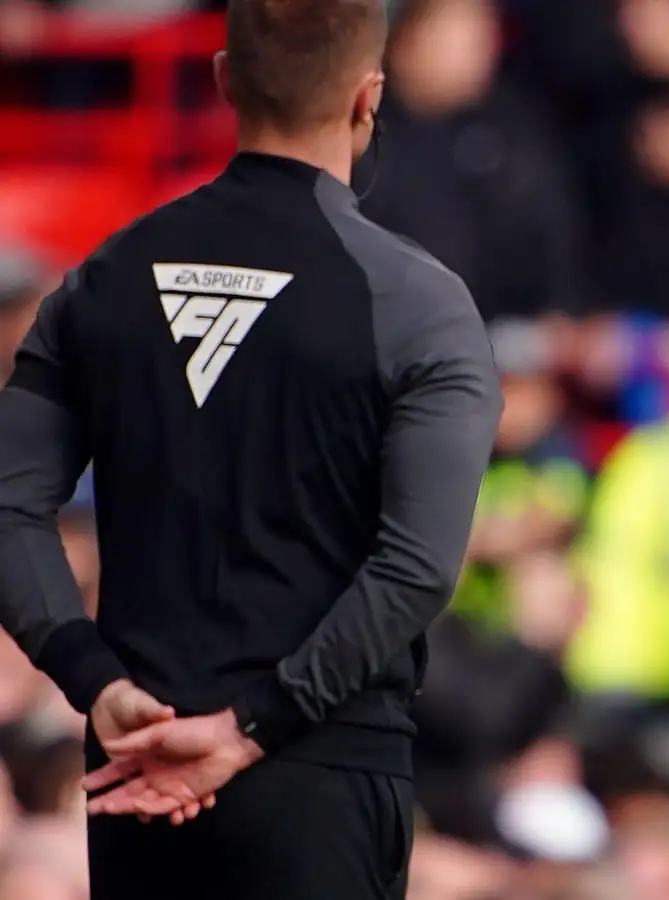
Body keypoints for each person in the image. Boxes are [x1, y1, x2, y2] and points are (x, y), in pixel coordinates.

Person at [0, 0, 501, 897]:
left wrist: (96, 682)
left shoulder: (104, 278)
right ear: (368, 97)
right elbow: (418, 568)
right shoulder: (420, 304)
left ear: (226, 77)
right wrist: (250, 726)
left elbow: (7, 504)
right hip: (321, 774)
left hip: (137, 765)